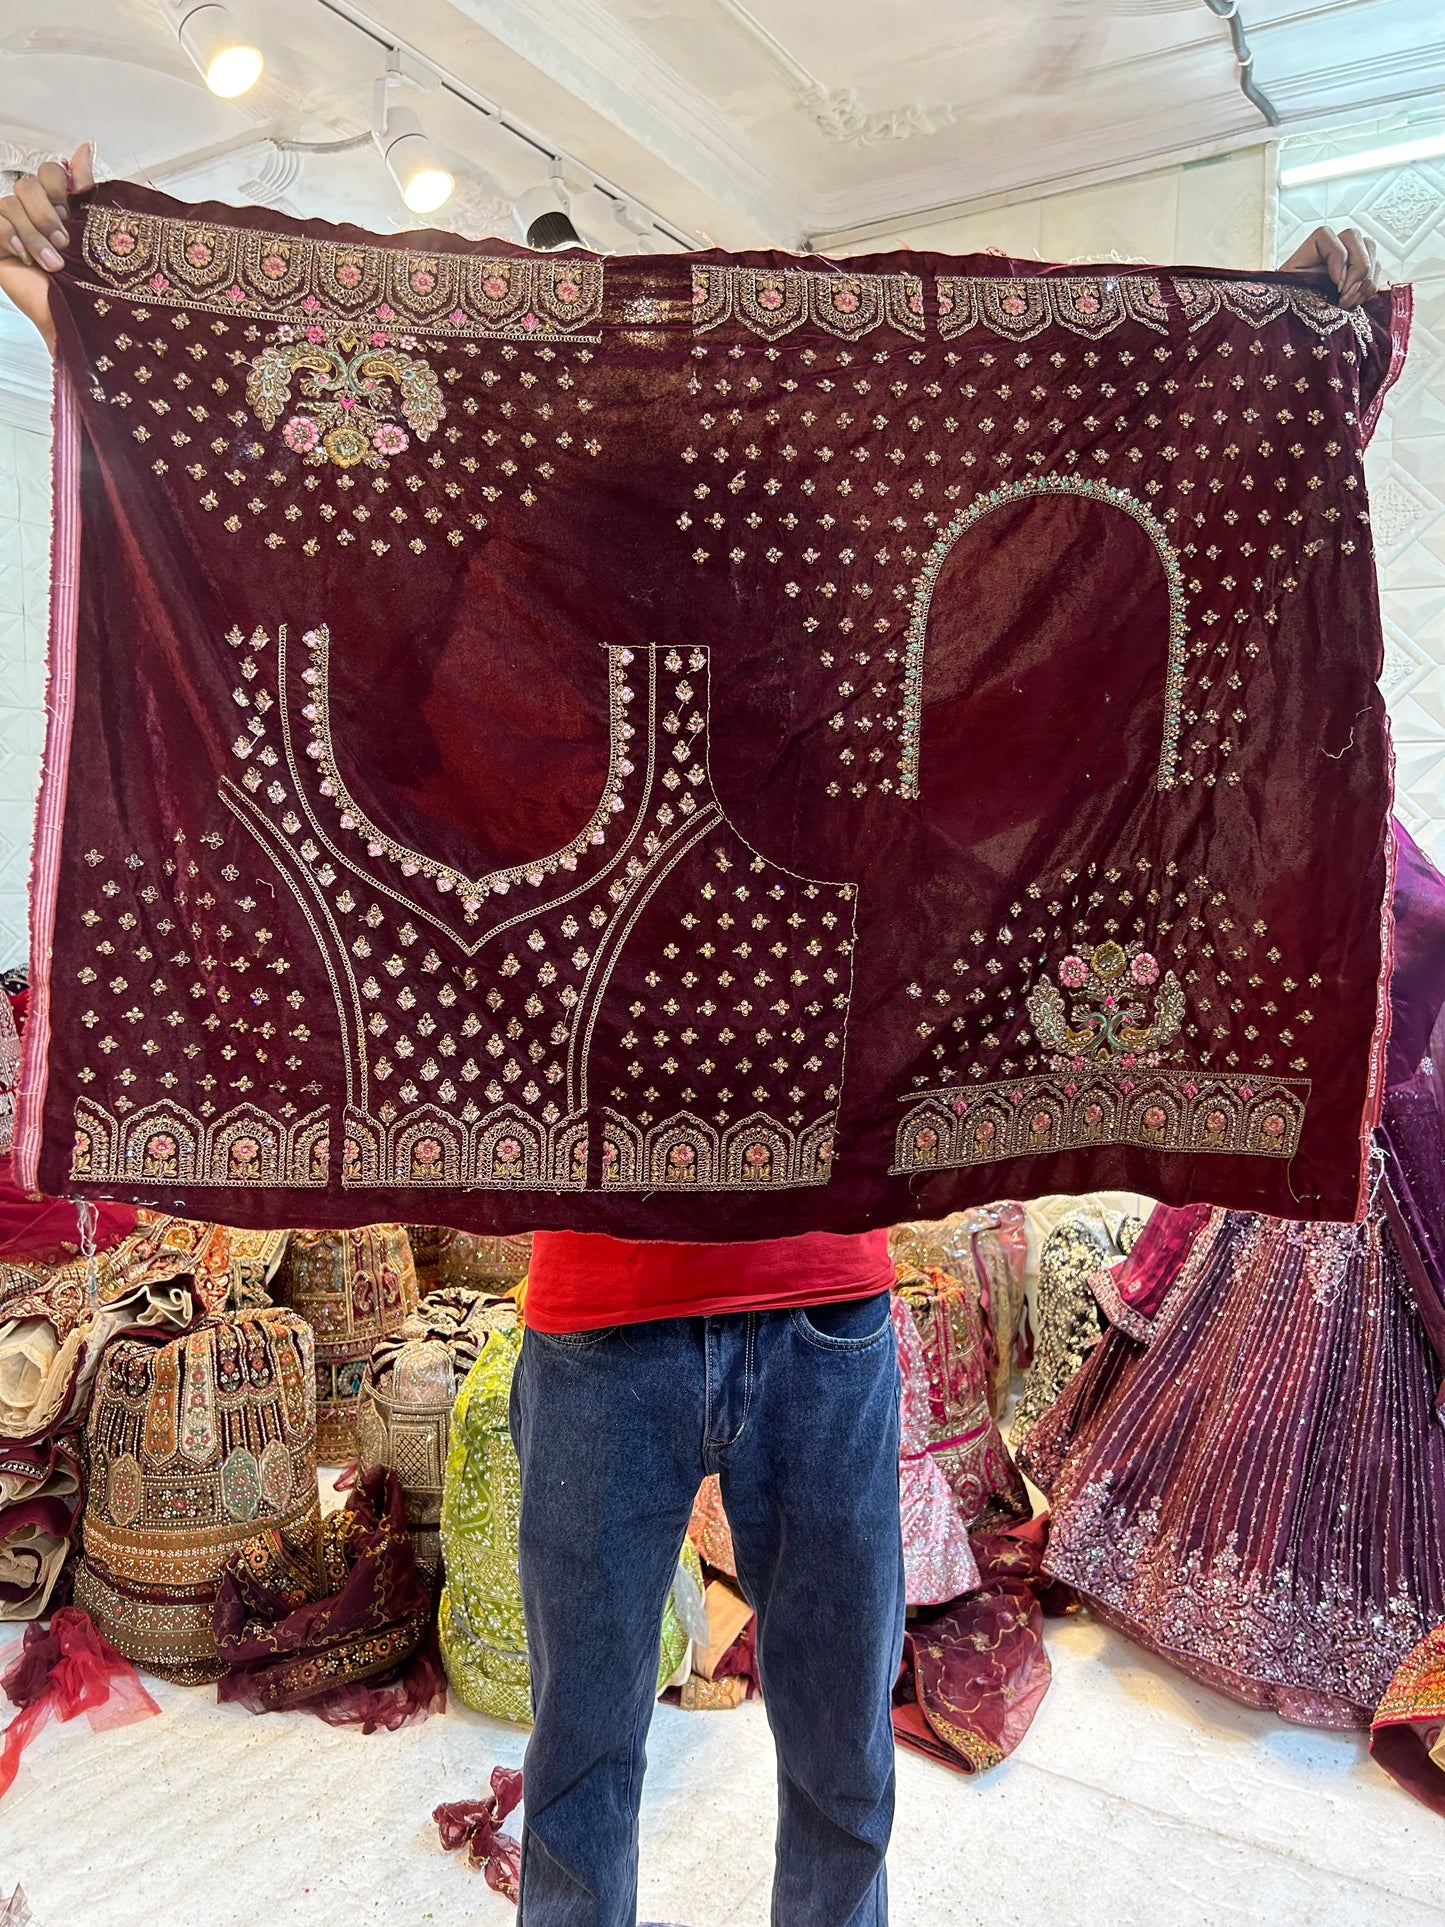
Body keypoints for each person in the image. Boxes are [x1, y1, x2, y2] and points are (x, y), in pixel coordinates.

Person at [1, 148, 1380, 1926]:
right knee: (585, 1758)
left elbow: (1067, 664)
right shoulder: (529, 720)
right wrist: (79, 299)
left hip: (824, 1319)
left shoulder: (834, 716)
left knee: (843, 1757)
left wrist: (1307, 363)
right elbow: (306, 561)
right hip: (601, 1335)